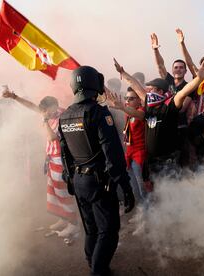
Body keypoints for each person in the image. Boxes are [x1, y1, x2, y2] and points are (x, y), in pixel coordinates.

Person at [58, 65, 135, 276]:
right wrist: (125, 187)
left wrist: (69, 179)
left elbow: (64, 153)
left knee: (91, 229)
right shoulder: (99, 112)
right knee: (108, 232)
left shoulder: (65, 116)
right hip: (99, 182)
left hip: (79, 181)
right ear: (95, 85)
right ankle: (98, 271)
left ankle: (93, 264)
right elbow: (113, 154)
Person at [113, 56, 204, 184]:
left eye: (151, 88)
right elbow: (136, 86)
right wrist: (123, 73)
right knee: (157, 193)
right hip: (152, 161)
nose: (148, 91)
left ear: (160, 91)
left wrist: (199, 78)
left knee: (170, 192)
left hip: (168, 161)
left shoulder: (170, 105)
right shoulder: (149, 105)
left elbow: (183, 92)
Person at [2, 88, 79, 239]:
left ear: (54, 107)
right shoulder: (48, 112)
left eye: (46, 111)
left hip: (60, 159)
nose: (44, 113)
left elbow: (52, 138)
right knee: (54, 191)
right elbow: (31, 106)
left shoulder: (62, 117)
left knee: (62, 192)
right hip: (51, 158)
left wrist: (44, 120)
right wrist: (14, 97)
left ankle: (73, 224)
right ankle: (63, 219)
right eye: (44, 111)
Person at [150, 31, 196, 166]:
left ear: (185, 71)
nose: (178, 70)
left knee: (180, 163)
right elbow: (160, 66)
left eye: (182, 68)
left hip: (179, 130)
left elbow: (181, 109)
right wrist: (155, 50)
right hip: (163, 128)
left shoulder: (188, 86)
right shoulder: (167, 81)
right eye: (176, 67)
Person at [106, 87, 147, 201]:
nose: (127, 101)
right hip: (129, 154)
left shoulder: (142, 111)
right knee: (134, 187)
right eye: (126, 98)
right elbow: (110, 97)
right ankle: (141, 212)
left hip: (139, 155)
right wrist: (100, 83)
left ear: (139, 100)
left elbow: (138, 115)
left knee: (142, 187)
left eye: (131, 98)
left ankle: (149, 214)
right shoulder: (127, 112)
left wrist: (122, 107)